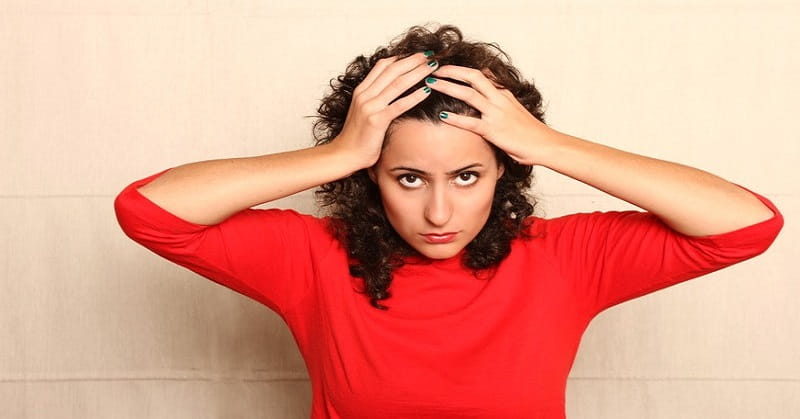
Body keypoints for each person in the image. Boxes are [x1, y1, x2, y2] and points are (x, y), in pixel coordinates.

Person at [114, 24, 784, 419]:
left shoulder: (563, 259)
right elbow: (148, 210)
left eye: (467, 176)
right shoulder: (315, 258)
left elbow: (746, 222)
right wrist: (340, 150)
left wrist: (548, 143)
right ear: (372, 176)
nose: (439, 213)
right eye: (409, 177)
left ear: (503, 171)